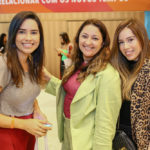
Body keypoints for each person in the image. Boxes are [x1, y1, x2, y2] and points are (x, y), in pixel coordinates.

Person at [44, 19, 122, 150]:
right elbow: (73, 93)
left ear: (103, 43)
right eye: (84, 36)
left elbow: (105, 125)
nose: (88, 42)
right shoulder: (77, 64)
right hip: (69, 134)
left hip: (88, 141)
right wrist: (48, 78)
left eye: (95, 38)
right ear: (78, 38)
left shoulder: (108, 75)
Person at [0, 11, 51, 150]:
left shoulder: (31, 62)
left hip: (27, 132)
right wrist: (24, 124)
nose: (28, 38)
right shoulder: (3, 64)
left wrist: (37, 110)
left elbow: (26, 94)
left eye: (34, 32)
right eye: (22, 32)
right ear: (13, 35)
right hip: (6, 134)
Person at [110, 19, 150, 150]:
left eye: (130, 40)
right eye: (121, 42)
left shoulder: (148, 69)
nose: (125, 47)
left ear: (142, 38)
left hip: (142, 141)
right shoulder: (117, 69)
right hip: (117, 138)